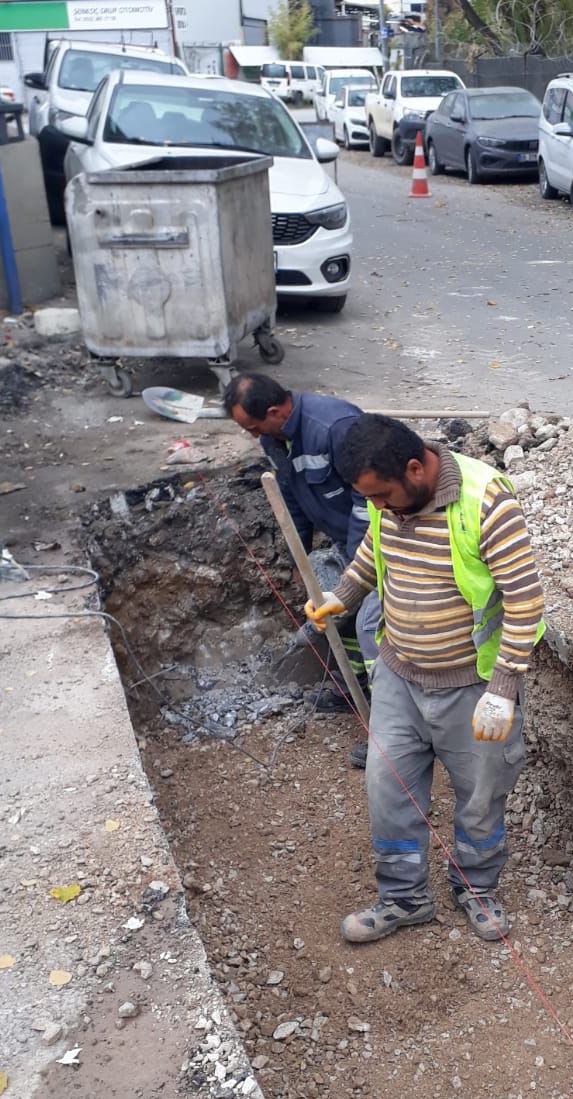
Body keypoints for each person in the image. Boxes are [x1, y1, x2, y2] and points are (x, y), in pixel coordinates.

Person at [304, 414, 545, 945]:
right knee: (388, 791)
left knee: (481, 795)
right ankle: (403, 899)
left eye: (385, 496)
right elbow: (373, 554)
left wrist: (504, 688)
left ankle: (477, 888)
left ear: (416, 468)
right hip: (399, 677)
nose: (381, 508)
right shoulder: (385, 494)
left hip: (472, 688)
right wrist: (340, 597)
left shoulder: (487, 501)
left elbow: (525, 600)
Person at [222, 373, 379, 741]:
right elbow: (291, 497)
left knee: (372, 629)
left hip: (376, 545)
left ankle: (388, 724)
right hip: (345, 543)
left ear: (276, 411)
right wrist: (300, 559)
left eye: (253, 426)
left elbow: (367, 501)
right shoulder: (275, 438)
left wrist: (359, 569)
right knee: (343, 616)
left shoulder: (334, 427)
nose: (252, 435)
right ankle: (350, 688)